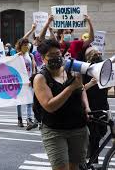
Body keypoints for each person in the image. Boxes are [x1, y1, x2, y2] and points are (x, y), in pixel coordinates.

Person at [33, 39, 90, 170]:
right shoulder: (41, 78)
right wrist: (70, 88)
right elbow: (49, 106)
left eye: (58, 54)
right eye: (52, 56)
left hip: (78, 128)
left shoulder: (70, 70)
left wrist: (87, 107)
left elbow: (81, 90)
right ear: (43, 58)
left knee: (74, 166)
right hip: (55, 131)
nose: (56, 58)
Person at [82, 46, 109, 163]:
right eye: (95, 54)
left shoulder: (104, 69)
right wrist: (90, 84)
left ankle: (91, 156)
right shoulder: (84, 70)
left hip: (103, 105)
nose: (98, 56)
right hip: (91, 106)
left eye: (99, 54)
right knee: (94, 135)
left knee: (102, 131)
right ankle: (93, 160)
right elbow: (79, 89)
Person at [15, 37, 38, 130]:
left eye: (27, 44)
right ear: (20, 46)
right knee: (19, 101)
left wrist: (32, 78)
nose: (26, 46)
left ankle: (29, 119)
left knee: (29, 100)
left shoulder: (31, 55)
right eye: (24, 45)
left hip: (29, 81)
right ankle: (19, 119)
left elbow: (33, 68)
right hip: (20, 81)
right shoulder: (17, 55)